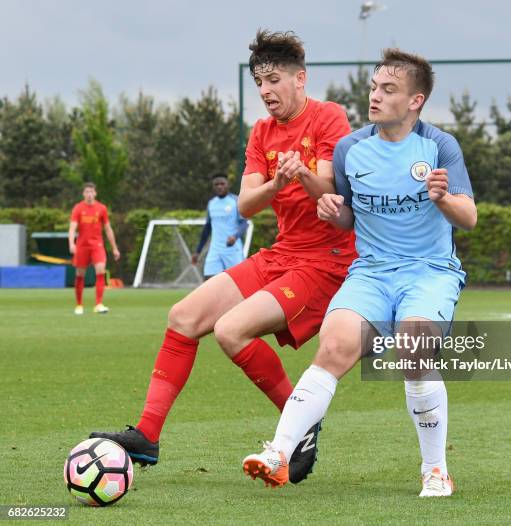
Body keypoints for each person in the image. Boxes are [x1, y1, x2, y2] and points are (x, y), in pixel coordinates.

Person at [90, 30, 356, 484]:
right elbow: (245, 204)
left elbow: (331, 188)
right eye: (259, 83)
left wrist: (304, 174)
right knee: (183, 316)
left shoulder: (329, 117)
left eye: (273, 80)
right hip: (282, 253)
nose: (266, 91)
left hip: (325, 259)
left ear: (300, 79)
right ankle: (148, 436)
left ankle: (298, 427)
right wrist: (276, 183)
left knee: (231, 330)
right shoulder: (263, 132)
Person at [242, 49, 477, 497]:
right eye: (373, 86)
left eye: (388, 89)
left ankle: (435, 469)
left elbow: (468, 218)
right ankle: (279, 452)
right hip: (370, 272)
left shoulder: (440, 146)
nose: (375, 96)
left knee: (414, 347)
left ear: (415, 101)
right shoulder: (352, 149)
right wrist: (334, 210)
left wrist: (443, 199)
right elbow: (349, 215)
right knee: (334, 345)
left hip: (428, 272)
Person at [68, 182, 120, 315]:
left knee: (100, 270)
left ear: (95, 193)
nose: (89, 194)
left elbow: (108, 229)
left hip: (97, 245)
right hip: (82, 246)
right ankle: (79, 305)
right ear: (83, 194)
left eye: (91, 192)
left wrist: (114, 248)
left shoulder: (101, 208)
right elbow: (73, 228)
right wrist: (71, 243)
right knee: (80, 274)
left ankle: (98, 304)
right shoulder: (78, 208)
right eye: (87, 192)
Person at [191, 173, 248, 279]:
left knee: (238, 281)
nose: (219, 187)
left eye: (222, 184)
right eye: (216, 184)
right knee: (208, 281)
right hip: (215, 249)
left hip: (232, 250)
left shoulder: (236, 201)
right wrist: (197, 251)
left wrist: (235, 237)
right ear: (213, 187)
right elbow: (207, 229)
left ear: (228, 185)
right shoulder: (211, 203)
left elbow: (244, 223)